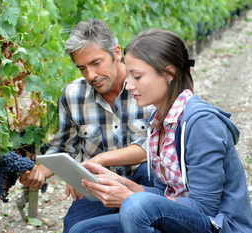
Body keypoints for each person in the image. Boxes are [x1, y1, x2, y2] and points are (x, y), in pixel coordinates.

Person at [69, 28, 252, 233]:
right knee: (82, 230)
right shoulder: (158, 121)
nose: (128, 85)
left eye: (136, 76)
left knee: (136, 207)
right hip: (178, 218)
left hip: (219, 225)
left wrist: (129, 198)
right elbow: (164, 193)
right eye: (128, 75)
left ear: (169, 73)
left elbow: (205, 208)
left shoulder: (201, 123)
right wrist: (121, 183)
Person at [19, 19, 155, 232]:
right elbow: (63, 148)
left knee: (149, 176)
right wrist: (40, 172)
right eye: (82, 68)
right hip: (96, 190)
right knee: (75, 228)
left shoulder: (146, 86)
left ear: (116, 53)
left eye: (96, 63)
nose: (91, 75)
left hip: (145, 184)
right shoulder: (73, 95)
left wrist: (96, 161)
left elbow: (152, 148)